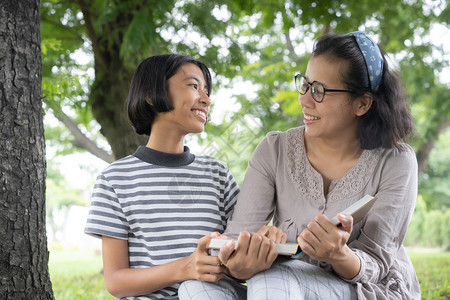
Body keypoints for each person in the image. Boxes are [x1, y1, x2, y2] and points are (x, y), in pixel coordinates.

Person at [180, 31, 421, 299]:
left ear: (362, 103)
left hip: (365, 289)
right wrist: (241, 263)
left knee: (275, 277)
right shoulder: (275, 149)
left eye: (320, 91)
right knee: (195, 288)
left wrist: (338, 254)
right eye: (305, 84)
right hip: (283, 285)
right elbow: (239, 239)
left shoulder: (397, 161)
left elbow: (375, 262)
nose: (304, 100)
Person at [84, 54, 245, 300]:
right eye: (193, 86)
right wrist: (186, 267)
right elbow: (116, 282)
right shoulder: (114, 180)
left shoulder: (218, 173)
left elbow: (240, 256)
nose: (206, 99)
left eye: (206, 90)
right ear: (151, 94)